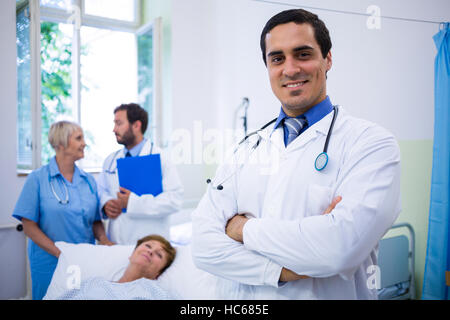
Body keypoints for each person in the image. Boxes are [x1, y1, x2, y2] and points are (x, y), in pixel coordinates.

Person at [191, 9, 401, 299]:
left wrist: (242, 229)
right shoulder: (246, 148)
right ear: (267, 66)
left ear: (327, 59)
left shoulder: (371, 144)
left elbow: (340, 249)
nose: (290, 69)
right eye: (277, 58)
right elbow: (203, 247)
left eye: (303, 54)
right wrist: (284, 271)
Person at [12, 121, 112, 300]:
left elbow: (95, 221)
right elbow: (29, 226)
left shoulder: (88, 180)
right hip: (50, 263)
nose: (84, 143)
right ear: (60, 144)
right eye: (79, 138)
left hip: (83, 262)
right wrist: (61, 254)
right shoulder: (37, 179)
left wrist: (104, 240)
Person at [97, 103, 184, 244]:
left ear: (136, 125)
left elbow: (174, 200)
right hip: (116, 241)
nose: (114, 129)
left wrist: (132, 202)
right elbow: (101, 190)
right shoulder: (110, 161)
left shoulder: (161, 158)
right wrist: (106, 204)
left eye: (119, 124)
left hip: (149, 242)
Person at [57, 235, 177, 300]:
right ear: (132, 254)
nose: (150, 251)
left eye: (159, 254)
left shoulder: (158, 294)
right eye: (148, 246)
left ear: (158, 274)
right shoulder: (92, 283)